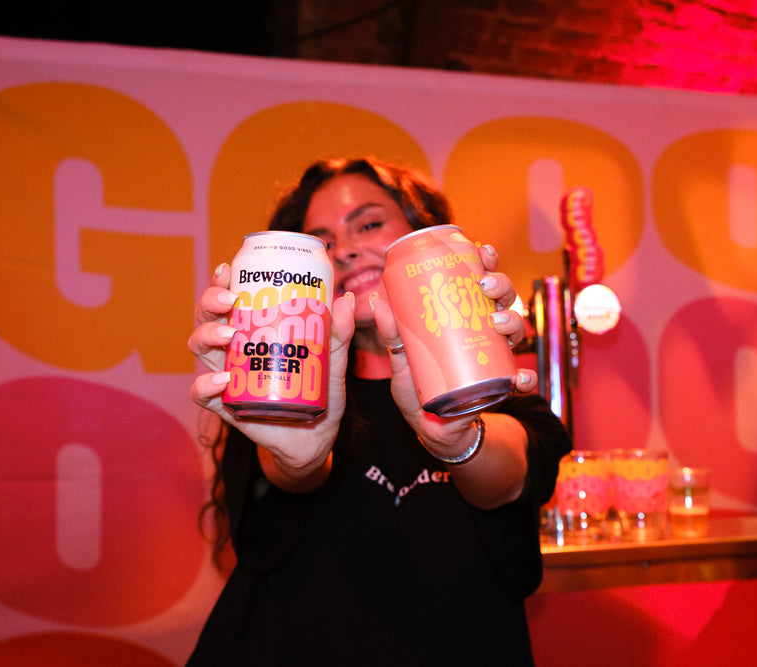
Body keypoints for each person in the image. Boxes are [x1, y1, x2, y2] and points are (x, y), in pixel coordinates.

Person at [186, 157, 572, 666]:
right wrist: (300, 456)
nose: (344, 249)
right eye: (322, 242)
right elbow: (278, 480)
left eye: (368, 224)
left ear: (421, 233)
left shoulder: (500, 394)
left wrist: (457, 439)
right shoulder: (276, 396)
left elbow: (509, 476)